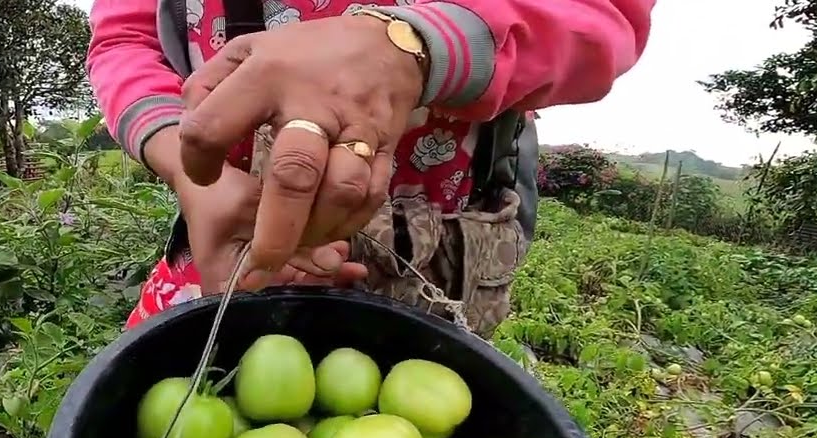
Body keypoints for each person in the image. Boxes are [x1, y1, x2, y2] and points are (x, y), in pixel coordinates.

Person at [87, 0, 655, 332]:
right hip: (227, 240)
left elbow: (602, 15)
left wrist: (413, 47)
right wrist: (188, 169)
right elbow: (126, 41)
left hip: (428, 261)